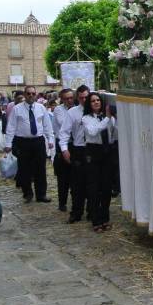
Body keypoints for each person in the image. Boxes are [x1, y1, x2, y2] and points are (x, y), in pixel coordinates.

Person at [5, 86, 54, 203]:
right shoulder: (17, 109)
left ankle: (41, 194)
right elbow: (11, 126)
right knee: (24, 168)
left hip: (38, 141)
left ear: (36, 95)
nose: (31, 96)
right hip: (23, 142)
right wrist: (8, 143)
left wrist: (50, 139)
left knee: (40, 169)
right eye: (28, 94)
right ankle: (27, 193)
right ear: (25, 95)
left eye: (33, 93)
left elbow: (47, 125)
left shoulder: (41, 108)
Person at [81, 93, 117, 233]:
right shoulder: (86, 118)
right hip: (93, 152)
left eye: (98, 100)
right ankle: (96, 220)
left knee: (106, 187)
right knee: (94, 187)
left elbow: (114, 132)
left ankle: (105, 217)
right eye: (93, 101)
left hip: (106, 151)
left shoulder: (107, 118)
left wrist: (112, 118)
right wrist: (107, 118)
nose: (96, 103)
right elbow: (93, 131)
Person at [59, 85, 91, 223]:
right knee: (77, 184)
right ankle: (76, 212)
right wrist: (64, 149)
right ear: (78, 98)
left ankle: (92, 211)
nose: (84, 99)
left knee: (93, 183)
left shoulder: (96, 109)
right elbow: (64, 132)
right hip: (78, 149)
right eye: (82, 97)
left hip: (93, 148)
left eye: (86, 97)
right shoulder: (72, 112)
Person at [52, 89, 74, 212]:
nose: (70, 100)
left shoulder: (76, 108)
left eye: (71, 98)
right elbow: (64, 124)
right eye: (67, 98)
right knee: (63, 176)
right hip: (62, 143)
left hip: (74, 144)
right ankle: (62, 202)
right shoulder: (59, 110)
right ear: (62, 99)